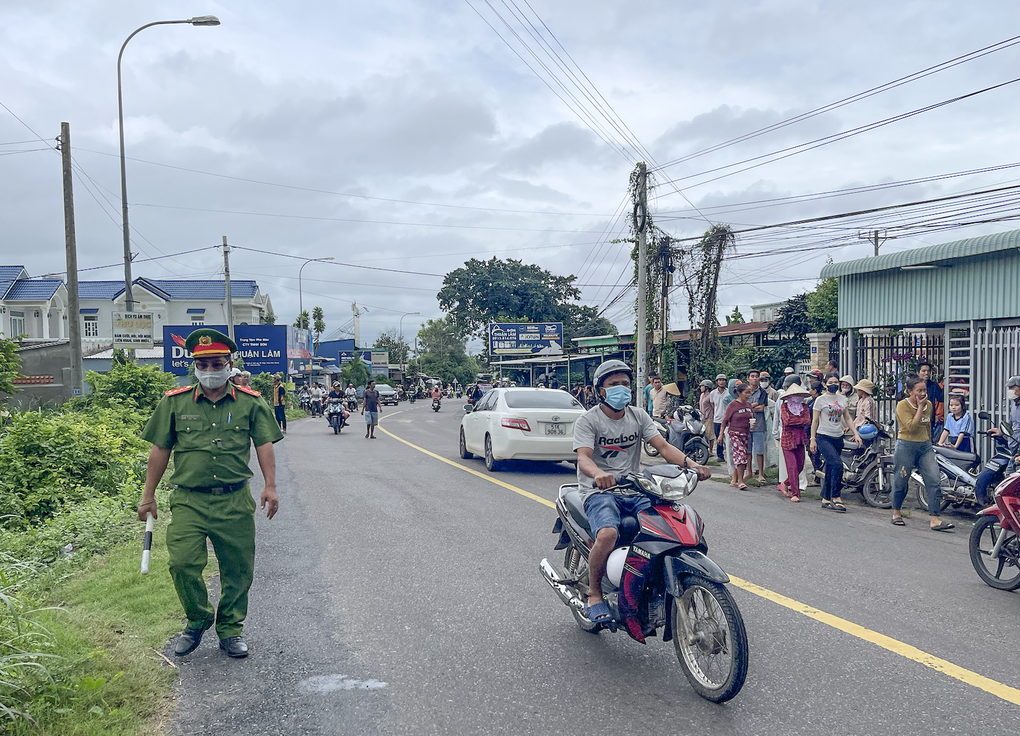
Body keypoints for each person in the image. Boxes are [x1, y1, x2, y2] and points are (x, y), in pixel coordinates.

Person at [137, 328, 282, 659]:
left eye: (218, 364)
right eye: (204, 365)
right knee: (182, 563)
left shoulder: (251, 403)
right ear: (195, 366)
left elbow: (264, 444)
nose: (211, 371)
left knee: (238, 568)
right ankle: (198, 618)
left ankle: (230, 629)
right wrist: (148, 495)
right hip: (190, 500)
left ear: (230, 364)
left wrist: (270, 485)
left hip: (234, 500)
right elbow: (160, 449)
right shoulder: (173, 403)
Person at [572, 359, 711, 625]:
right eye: (613, 385)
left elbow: (664, 448)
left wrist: (693, 466)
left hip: (634, 489)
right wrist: (598, 474)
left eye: (625, 384)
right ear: (601, 390)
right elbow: (584, 458)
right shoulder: (588, 421)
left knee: (669, 525)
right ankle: (595, 592)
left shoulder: (638, 416)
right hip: (599, 492)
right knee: (608, 533)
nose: (621, 389)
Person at [890, 376, 952, 530]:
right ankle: (896, 512)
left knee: (934, 480)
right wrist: (919, 407)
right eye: (919, 390)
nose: (923, 393)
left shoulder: (929, 405)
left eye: (924, 390)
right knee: (901, 480)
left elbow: (927, 425)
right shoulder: (902, 406)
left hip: (924, 446)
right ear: (910, 391)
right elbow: (911, 426)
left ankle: (935, 518)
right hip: (906, 446)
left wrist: (930, 442)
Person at [809, 373, 862, 513]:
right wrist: (812, 439)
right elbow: (814, 421)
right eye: (830, 382)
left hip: (838, 436)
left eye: (836, 382)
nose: (833, 384)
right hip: (823, 436)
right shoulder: (820, 400)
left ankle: (826, 498)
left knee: (831, 468)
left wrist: (855, 433)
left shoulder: (842, 399)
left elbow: (847, 417)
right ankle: (836, 496)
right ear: (825, 384)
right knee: (837, 464)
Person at [975, 377, 1020, 505]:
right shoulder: (1014, 403)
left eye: (1013, 388)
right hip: (1012, 447)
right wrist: (1000, 431)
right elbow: (1011, 423)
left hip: (1018, 450)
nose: (1010, 391)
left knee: (1010, 484)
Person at [778, 384, 811, 502]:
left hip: (800, 439)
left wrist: (796, 421)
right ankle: (795, 493)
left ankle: (785, 483)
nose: (797, 397)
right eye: (794, 395)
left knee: (800, 465)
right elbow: (786, 421)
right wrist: (799, 421)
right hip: (788, 440)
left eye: (799, 395)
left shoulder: (804, 407)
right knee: (792, 467)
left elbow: (807, 420)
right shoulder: (784, 407)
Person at [721, 383, 754, 490]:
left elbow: (751, 417)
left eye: (749, 392)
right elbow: (725, 420)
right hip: (735, 433)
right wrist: (721, 434)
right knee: (741, 456)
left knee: (742, 456)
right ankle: (740, 481)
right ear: (739, 393)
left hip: (746, 434)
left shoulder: (749, 405)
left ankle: (734, 480)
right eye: (746, 392)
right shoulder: (732, 405)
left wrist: (752, 424)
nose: (748, 395)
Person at [746, 369, 768, 484]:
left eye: (757, 376)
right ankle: (749, 472)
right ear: (748, 379)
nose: (755, 378)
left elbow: (761, 408)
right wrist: (753, 405)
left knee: (759, 450)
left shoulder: (763, 392)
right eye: (752, 376)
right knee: (748, 450)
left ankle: (760, 473)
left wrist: (748, 406)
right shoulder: (744, 391)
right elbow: (742, 404)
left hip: (759, 425)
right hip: (746, 425)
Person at [710, 374, 728, 461]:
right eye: (720, 380)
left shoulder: (729, 392)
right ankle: (720, 456)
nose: (722, 382)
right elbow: (712, 405)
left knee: (728, 439)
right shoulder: (713, 393)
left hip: (727, 419)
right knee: (718, 439)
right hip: (717, 419)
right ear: (717, 382)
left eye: (723, 380)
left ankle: (730, 455)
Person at [698, 380, 716, 456]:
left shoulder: (710, 396)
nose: (701, 387)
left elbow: (713, 406)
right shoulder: (702, 395)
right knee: (702, 434)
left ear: (707, 387)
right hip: (702, 417)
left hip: (709, 417)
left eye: (702, 386)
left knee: (710, 435)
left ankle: (710, 451)